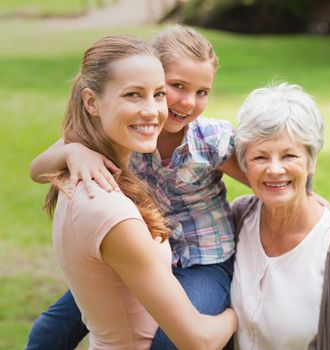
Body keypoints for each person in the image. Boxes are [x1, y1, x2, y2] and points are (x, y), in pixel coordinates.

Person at [27, 25, 247, 350]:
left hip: (202, 257)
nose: (187, 102)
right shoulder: (127, 133)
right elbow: (37, 168)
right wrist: (72, 151)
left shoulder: (207, 139)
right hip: (143, 252)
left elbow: (266, 176)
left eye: (202, 92)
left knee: (170, 341)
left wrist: (310, 202)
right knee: (50, 330)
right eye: (176, 87)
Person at [230, 83, 330, 349]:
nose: (275, 169)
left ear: (311, 162)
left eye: (289, 155)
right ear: (244, 164)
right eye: (260, 157)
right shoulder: (237, 219)